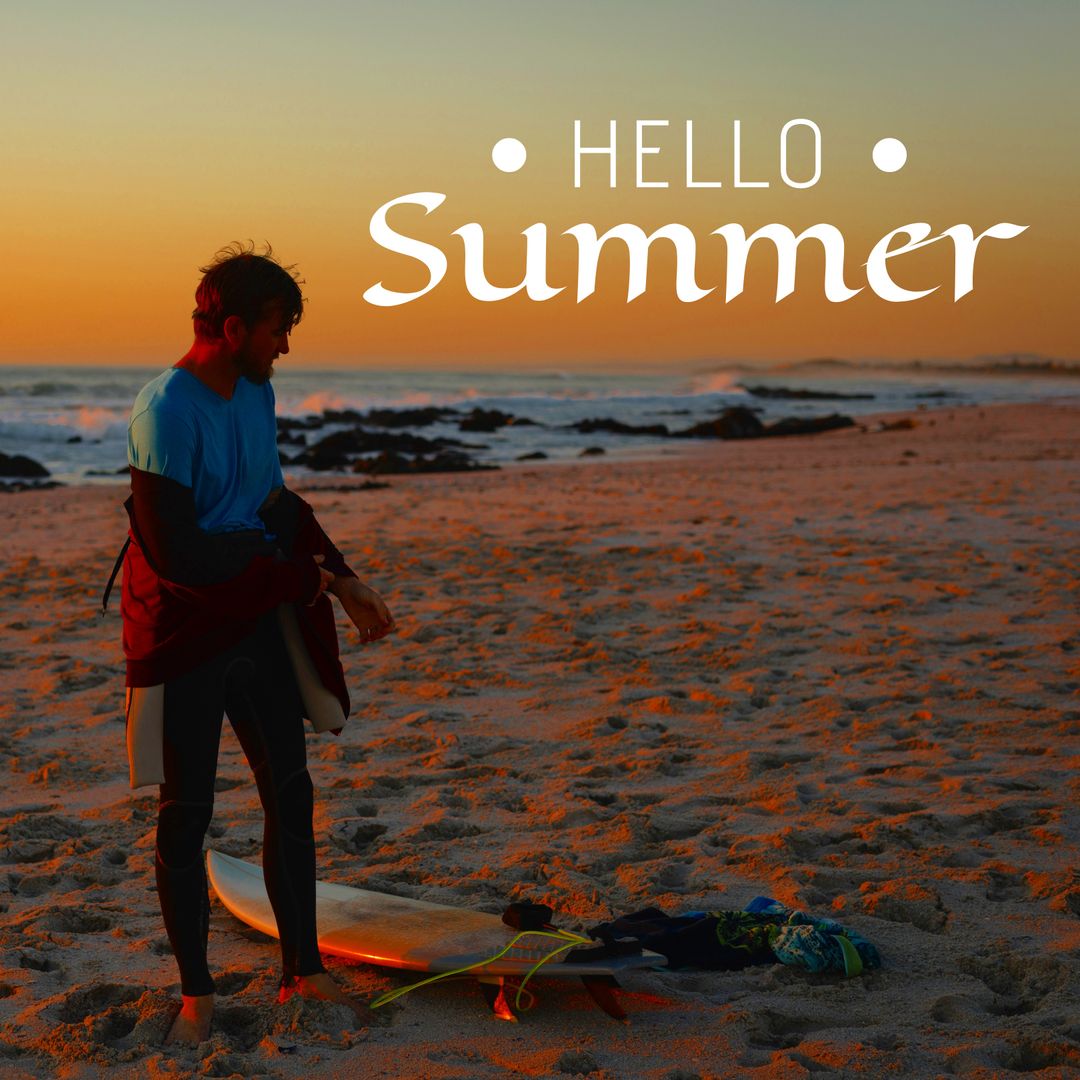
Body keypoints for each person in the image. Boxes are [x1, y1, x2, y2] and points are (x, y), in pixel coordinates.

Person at [120, 242, 394, 1046]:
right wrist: (300, 579)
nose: (287, 346)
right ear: (234, 328)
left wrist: (341, 577)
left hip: (255, 618)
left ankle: (302, 970)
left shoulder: (253, 392)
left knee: (291, 793)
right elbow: (181, 558)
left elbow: (271, 502)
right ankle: (196, 998)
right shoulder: (165, 412)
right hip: (185, 628)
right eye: (279, 330)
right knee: (187, 812)